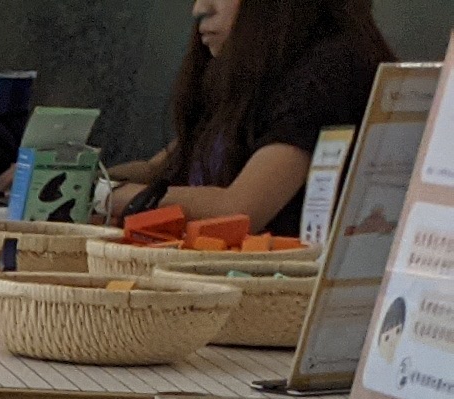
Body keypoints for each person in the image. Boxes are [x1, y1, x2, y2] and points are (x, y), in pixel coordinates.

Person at [99, 0, 393, 235]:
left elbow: (241, 210)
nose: (199, 8)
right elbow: (159, 168)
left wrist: (105, 196)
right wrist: (85, 174)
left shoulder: (329, 70)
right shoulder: (256, 73)